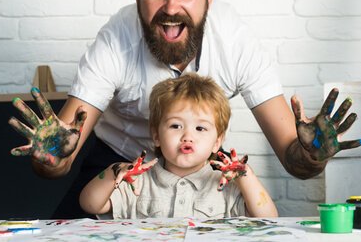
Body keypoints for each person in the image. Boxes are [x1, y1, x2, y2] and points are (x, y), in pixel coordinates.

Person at [9, 0, 361, 219]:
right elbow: (58, 158)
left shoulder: (235, 40)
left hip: (201, 165)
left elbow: (296, 160)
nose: (171, 7)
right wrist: (52, 157)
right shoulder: (116, 39)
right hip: (120, 166)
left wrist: (313, 156)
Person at [79, 73, 278, 219]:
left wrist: (246, 176)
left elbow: (268, 219)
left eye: (200, 128)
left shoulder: (226, 185)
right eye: (176, 126)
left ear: (217, 142)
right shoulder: (138, 182)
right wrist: (115, 170)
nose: (187, 136)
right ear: (156, 135)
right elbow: (90, 204)